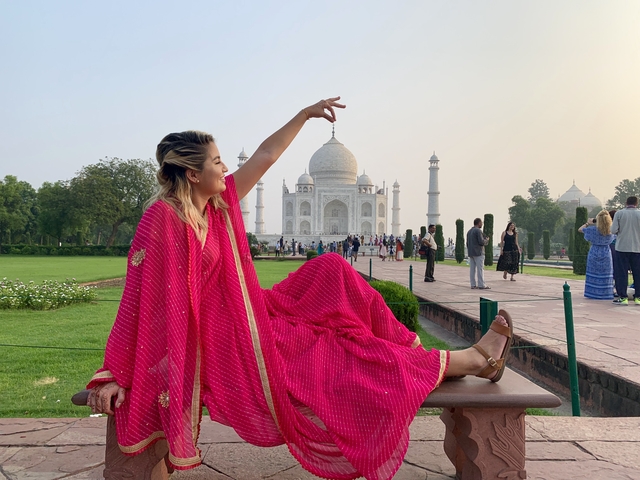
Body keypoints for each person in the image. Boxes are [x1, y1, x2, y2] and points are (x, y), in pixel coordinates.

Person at [85, 97, 514, 480]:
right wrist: (117, 373)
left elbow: (267, 155)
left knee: (331, 269)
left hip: (248, 311)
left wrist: (304, 115)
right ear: (194, 174)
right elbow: (140, 298)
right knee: (332, 354)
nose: (224, 168)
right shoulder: (163, 219)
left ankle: (419, 354)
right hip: (224, 338)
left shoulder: (216, 204)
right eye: (216, 162)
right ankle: (470, 359)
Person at [578, 211, 615, 299]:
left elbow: (580, 229)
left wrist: (588, 223)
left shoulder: (593, 230)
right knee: (606, 273)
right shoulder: (611, 230)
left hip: (594, 251)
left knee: (593, 272)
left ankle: (592, 293)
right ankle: (606, 293)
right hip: (606, 252)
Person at [611, 196, 640, 305]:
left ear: (626, 202)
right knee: (638, 273)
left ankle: (623, 297)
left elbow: (613, 230)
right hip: (637, 247)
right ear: (636, 203)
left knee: (621, 273)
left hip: (622, 247)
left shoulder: (620, 213)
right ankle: (638, 297)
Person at [467, 218, 490, 289]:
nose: (482, 224)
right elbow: (481, 242)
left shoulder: (469, 231)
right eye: (481, 223)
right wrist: (486, 240)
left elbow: (467, 243)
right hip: (478, 252)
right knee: (480, 269)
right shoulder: (478, 231)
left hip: (471, 252)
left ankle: (473, 284)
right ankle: (481, 284)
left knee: (472, 269)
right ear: (479, 223)